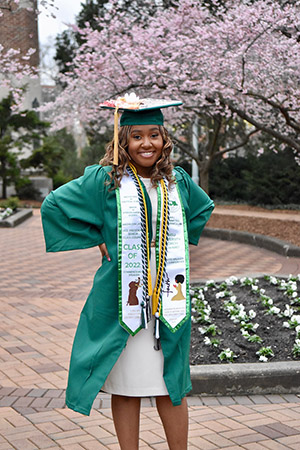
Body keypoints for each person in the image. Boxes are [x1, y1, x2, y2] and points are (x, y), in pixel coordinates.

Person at [41, 95, 214, 450]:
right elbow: (54, 205)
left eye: (154, 135)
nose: (146, 143)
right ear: (124, 141)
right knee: (127, 385)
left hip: (169, 289)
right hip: (124, 292)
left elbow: (202, 208)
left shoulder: (177, 181)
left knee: (171, 385)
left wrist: (174, 243)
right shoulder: (106, 181)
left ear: (164, 139)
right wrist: (99, 239)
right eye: (137, 136)